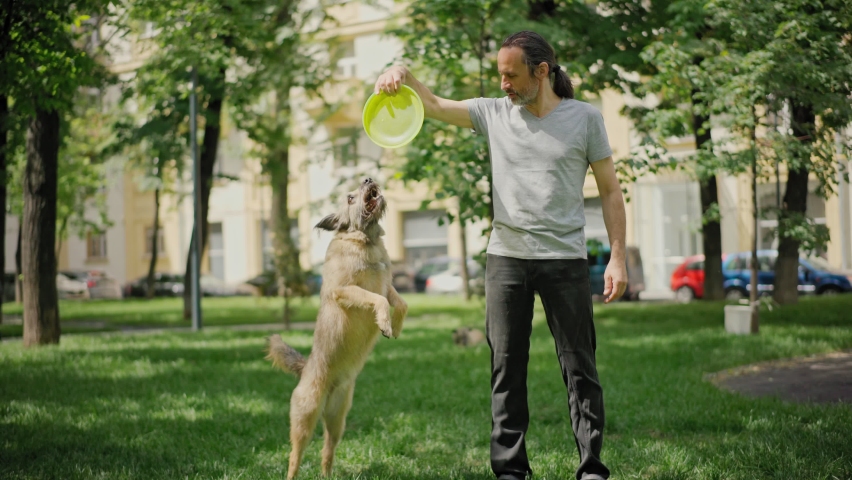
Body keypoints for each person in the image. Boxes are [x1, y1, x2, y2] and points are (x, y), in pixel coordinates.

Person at [374, 31, 626, 480]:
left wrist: (618, 257)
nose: (504, 83)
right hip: (506, 259)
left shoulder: (585, 119)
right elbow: (432, 106)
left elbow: (610, 191)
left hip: (564, 259)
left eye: (511, 75)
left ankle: (591, 468)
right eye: (500, 75)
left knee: (579, 365)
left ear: (541, 71)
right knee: (506, 366)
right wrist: (402, 74)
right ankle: (510, 470)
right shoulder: (494, 113)